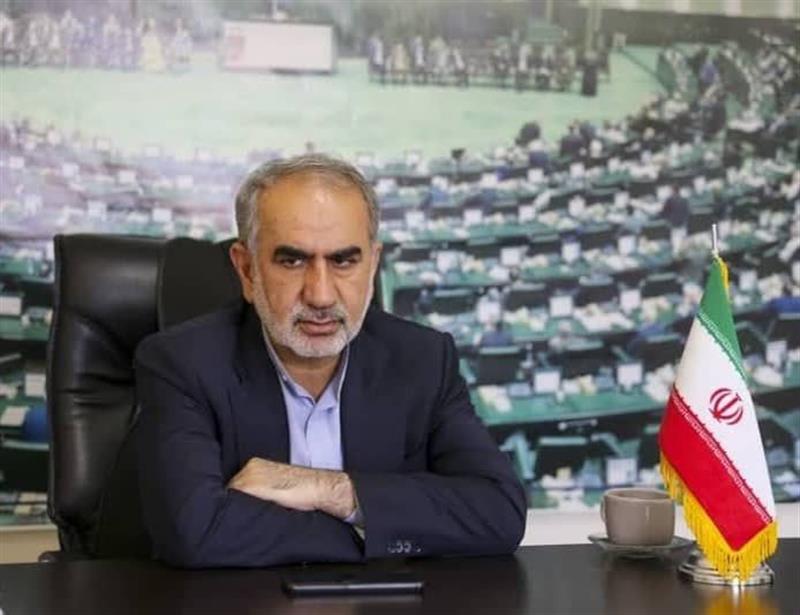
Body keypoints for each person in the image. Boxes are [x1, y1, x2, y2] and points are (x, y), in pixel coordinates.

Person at [135, 154, 526, 568]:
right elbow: (194, 532)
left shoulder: (423, 359)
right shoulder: (182, 364)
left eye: (343, 261)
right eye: (292, 261)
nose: (320, 296)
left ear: (372, 265)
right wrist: (384, 525)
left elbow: (498, 511)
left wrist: (331, 491)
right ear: (247, 271)